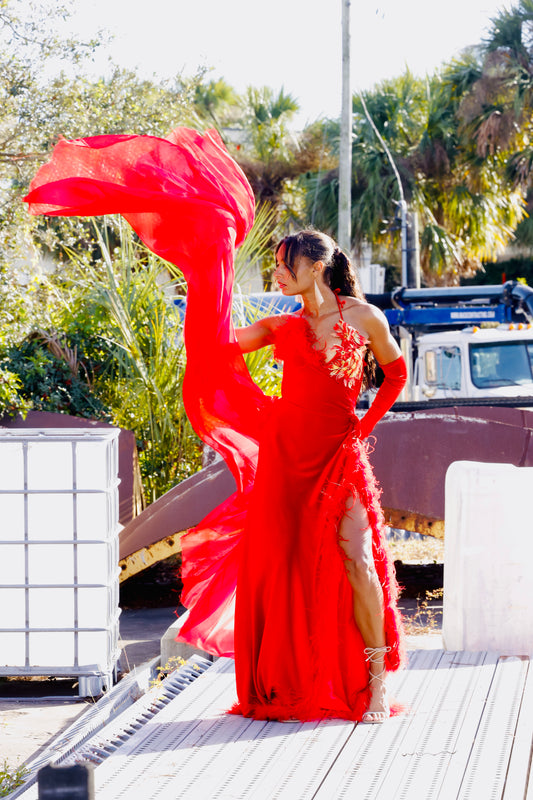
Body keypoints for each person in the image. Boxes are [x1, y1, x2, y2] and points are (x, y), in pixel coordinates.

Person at [23, 127, 406, 724]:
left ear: (317, 264)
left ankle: (377, 682)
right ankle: (289, 680)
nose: (279, 276)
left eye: (286, 267)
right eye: (277, 268)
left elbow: (397, 374)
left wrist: (364, 427)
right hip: (285, 454)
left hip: (338, 456)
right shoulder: (281, 327)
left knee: (357, 558)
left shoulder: (366, 317)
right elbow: (222, 347)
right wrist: (207, 270)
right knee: (284, 569)